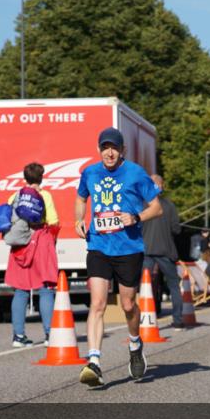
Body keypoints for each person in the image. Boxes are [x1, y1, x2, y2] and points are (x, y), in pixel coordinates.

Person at [75, 128, 163, 386]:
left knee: (127, 305)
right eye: (105, 148)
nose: (109, 152)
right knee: (98, 303)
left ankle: (135, 345)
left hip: (128, 248)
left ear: (122, 150)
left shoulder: (136, 173)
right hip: (99, 245)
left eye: (114, 148)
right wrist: (78, 219)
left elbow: (156, 208)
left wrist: (136, 217)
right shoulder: (90, 173)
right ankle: (94, 362)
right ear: (99, 150)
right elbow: (81, 198)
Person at [5, 163, 59, 348]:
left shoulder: (15, 196)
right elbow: (53, 221)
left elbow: (8, 220)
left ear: (25, 178)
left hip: (20, 246)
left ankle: (18, 336)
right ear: (41, 178)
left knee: (20, 290)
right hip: (41, 242)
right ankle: (49, 334)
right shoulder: (45, 196)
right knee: (45, 289)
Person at [142, 174, 184, 329]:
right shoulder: (169, 205)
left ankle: (146, 320)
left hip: (146, 251)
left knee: (145, 286)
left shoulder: (142, 205)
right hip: (166, 251)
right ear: (162, 186)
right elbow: (176, 230)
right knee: (173, 285)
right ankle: (178, 320)